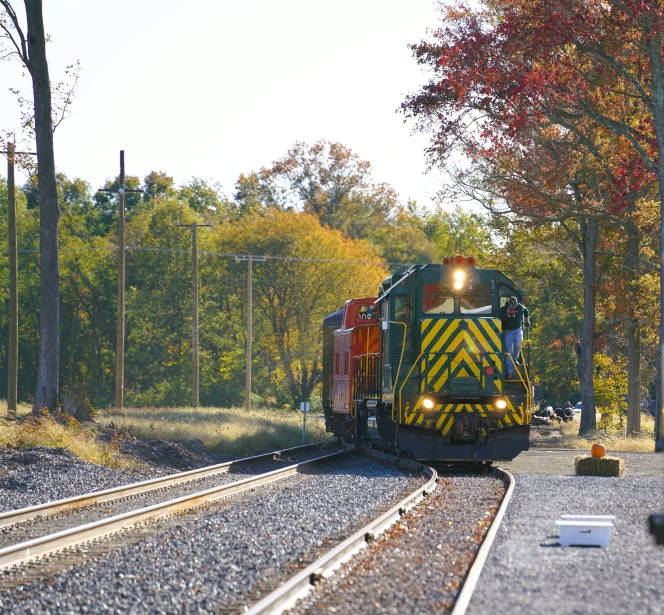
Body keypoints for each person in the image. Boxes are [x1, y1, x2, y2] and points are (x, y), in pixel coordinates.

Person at [499, 296, 530, 378]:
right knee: (508, 351)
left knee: (518, 344)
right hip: (507, 330)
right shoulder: (503, 309)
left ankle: (515, 358)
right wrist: (507, 312)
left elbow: (526, 310)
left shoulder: (520, 307)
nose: (513, 306)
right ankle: (509, 372)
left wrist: (527, 319)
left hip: (517, 329)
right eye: (512, 305)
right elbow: (501, 320)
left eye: (515, 305)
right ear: (508, 303)